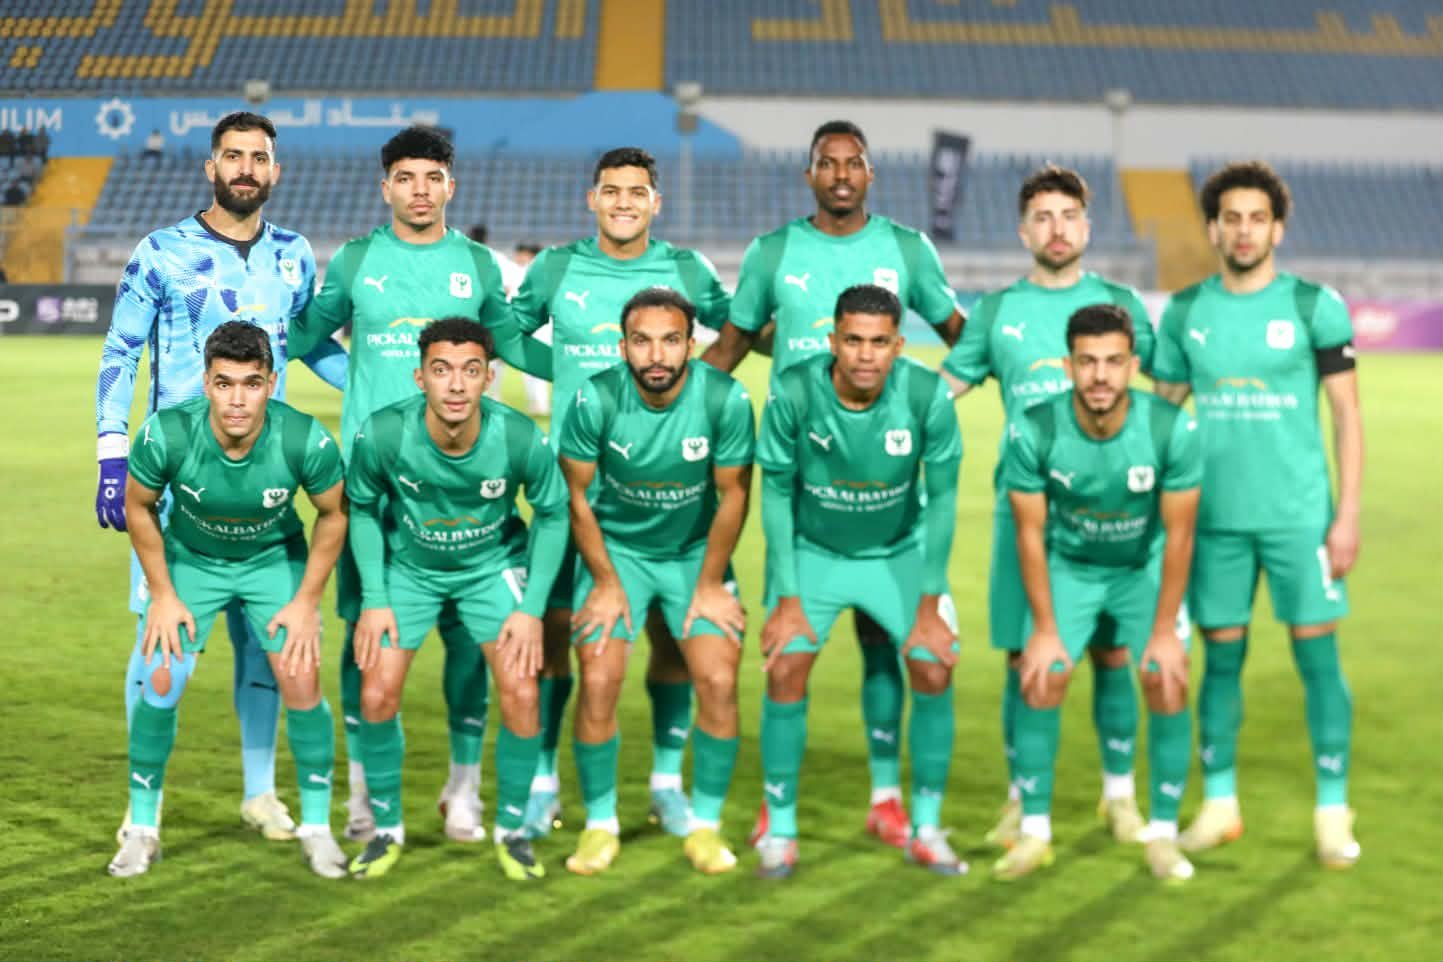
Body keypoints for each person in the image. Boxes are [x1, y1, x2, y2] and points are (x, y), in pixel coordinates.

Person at [701, 121, 965, 848]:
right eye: (828, 163)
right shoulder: (772, 252)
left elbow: (960, 333)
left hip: (887, 499)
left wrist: (935, 400)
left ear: (870, 175)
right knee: (789, 660)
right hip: (808, 488)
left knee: (893, 651)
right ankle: (777, 814)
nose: (841, 174)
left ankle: (890, 803)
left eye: (854, 164)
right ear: (809, 174)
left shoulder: (907, 249)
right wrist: (675, 413)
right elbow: (732, 343)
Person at [285, 125, 550, 845]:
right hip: (373, 484)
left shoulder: (476, 263)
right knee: (365, 638)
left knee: (470, 640)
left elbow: (511, 344)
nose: (420, 190)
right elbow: (304, 335)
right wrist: (355, 382)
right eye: (406, 178)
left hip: (462, 479)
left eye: (432, 177)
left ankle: (462, 791)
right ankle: (365, 797)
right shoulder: (357, 259)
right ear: (386, 188)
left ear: (450, 186)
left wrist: (583, 369)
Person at [96, 110, 348, 845]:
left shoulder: (294, 255)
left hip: (264, 483)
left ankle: (260, 794)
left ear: (275, 171)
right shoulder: (161, 251)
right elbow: (120, 352)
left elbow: (308, 347)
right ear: (211, 168)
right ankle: (141, 805)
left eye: (258, 157)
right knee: (162, 646)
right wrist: (112, 454)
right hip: (176, 483)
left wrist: (382, 385)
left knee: (266, 646)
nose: (245, 168)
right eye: (233, 156)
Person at [510, 147, 732, 840]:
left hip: (667, 495)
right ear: (592, 199)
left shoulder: (687, 269)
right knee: (554, 634)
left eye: (637, 192)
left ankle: (666, 783)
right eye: (612, 191)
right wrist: (566, 366)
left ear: (655, 202)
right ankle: (543, 781)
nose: (624, 203)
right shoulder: (555, 267)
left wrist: (695, 387)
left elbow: (739, 329)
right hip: (570, 491)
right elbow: (506, 334)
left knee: (672, 637)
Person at [939, 165, 1159, 848]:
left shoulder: (1120, 303)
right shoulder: (997, 311)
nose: (1056, 229)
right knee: (1024, 659)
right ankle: (1020, 799)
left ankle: (1119, 797)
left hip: (1113, 510)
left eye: (1068, 216)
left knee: (1113, 654)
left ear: (1086, 227)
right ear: (1022, 231)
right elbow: (945, 388)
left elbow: (1170, 385)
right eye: (1042, 217)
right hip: (1026, 509)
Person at [1153, 160, 1363, 868]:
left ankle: (1332, 810)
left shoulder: (1313, 306)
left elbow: (1347, 416)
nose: (1244, 231)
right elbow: (1160, 418)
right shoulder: (1185, 312)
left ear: (1278, 228)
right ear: (1212, 229)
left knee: (1317, 658)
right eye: (1231, 219)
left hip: (1300, 518)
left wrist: (1346, 515)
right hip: (1214, 522)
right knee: (1220, 660)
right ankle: (1219, 805)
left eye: (1257, 219)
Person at [107, 322, 349, 880]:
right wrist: (162, 594)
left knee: (301, 678)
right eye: (224, 384)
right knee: (160, 679)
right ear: (206, 383)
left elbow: (334, 514)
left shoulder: (304, 438)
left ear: (271, 383)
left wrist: (307, 601)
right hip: (192, 561)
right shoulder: (167, 433)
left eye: (251, 383)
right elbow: (139, 507)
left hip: (272, 561)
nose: (237, 400)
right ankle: (141, 827)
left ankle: (317, 828)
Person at [752, 284, 965, 879]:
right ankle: (780, 827)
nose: (865, 355)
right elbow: (775, 493)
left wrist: (930, 603)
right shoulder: (794, 390)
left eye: (879, 342)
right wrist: (787, 597)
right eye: (853, 340)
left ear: (899, 345)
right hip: (814, 551)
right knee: (786, 665)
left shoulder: (925, 395)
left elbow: (944, 499)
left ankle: (925, 827)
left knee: (933, 664)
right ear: (832, 341)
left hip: (897, 552)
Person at [344, 318, 567, 881]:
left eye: (471, 371)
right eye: (442, 370)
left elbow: (554, 513)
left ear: (489, 378)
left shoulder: (517, 436)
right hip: (410, 571)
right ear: (420, 377)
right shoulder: (385, 433)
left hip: (491, 569)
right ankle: (386, 830)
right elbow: (362, 508)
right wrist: (375, 597)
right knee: (376, 693)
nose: (457, 385)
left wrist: (531, 609)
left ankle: (512, 831)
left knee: (522, 692)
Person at [996, 304, 1201, 882]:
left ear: (1134, 366)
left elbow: (1180, 535)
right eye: (1087, 362)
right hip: (1072, 566)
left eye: (1114, 362)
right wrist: (1043, 630)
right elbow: (1029, 534)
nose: (1101, 376)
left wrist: (1164, 631)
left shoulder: (1170, 428)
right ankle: (1034, 831)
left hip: (1141, 569)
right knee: (1042, 674)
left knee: (1166, 677)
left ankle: (1162, 834)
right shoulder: (1033, 428)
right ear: (1068, 366)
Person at [558, 288, 754, 876]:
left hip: (694, 554)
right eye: (642, 341)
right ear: (623, 347)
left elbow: (734, 493)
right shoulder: (594, 398)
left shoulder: (725, 398)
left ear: (692, 345)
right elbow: (576, 496)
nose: (657, 354)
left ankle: (703, 823)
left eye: (671, 340)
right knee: (598, 678)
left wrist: (711, 583)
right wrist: (604, 581)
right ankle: (599, 824)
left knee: (718, 679)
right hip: (617, 552)